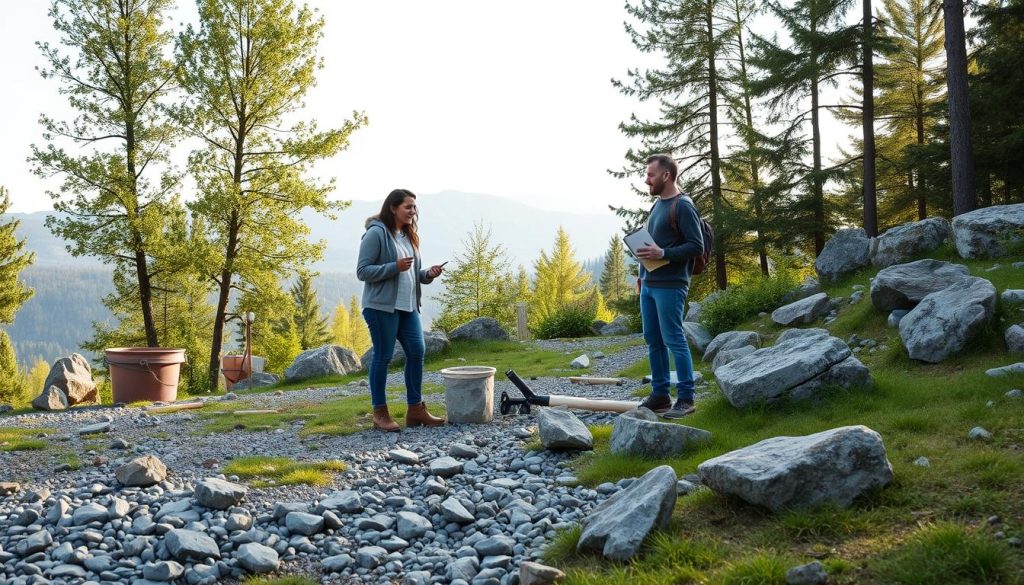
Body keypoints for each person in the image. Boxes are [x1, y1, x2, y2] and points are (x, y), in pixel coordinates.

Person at [357, 188, 446, 432]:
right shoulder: (376, 234)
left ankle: (415, 410)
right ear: (393, 208)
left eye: (414, 207)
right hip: (381, 307)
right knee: (383, 357)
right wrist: (393, 267)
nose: (413, 211)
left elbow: (411, 275)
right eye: (408, 207)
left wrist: (427, 274)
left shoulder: (408, 236)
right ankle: (380, 413)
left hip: (408, 307)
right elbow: (363, 271)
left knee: (417, 352)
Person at [634, 154, 704, 419]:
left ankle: (686, 398)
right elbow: (651, 247)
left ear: (666, 175)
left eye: (651, 175)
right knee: (653, 340)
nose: (646, 179)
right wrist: (642, 275)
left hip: (671, 285)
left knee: (674, 339)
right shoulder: (657, 206)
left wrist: (662, 252)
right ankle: (661, 395)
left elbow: (695, 246)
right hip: (650, 285)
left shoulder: (683, 206)